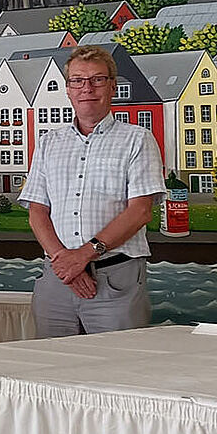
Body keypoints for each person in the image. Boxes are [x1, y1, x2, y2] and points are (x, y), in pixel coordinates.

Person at [19, 46, 164, 337]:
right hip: (56, 281)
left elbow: (140, 211)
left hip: (116, 282)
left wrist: (83, 256)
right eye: (77, 80)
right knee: (50, 373)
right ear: (68, 89)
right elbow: (37, 211)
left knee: (114, 373)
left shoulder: (137, 140)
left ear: (112, 86)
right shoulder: (49, 143)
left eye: (97, 79)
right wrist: (65, 263)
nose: (87, 88)